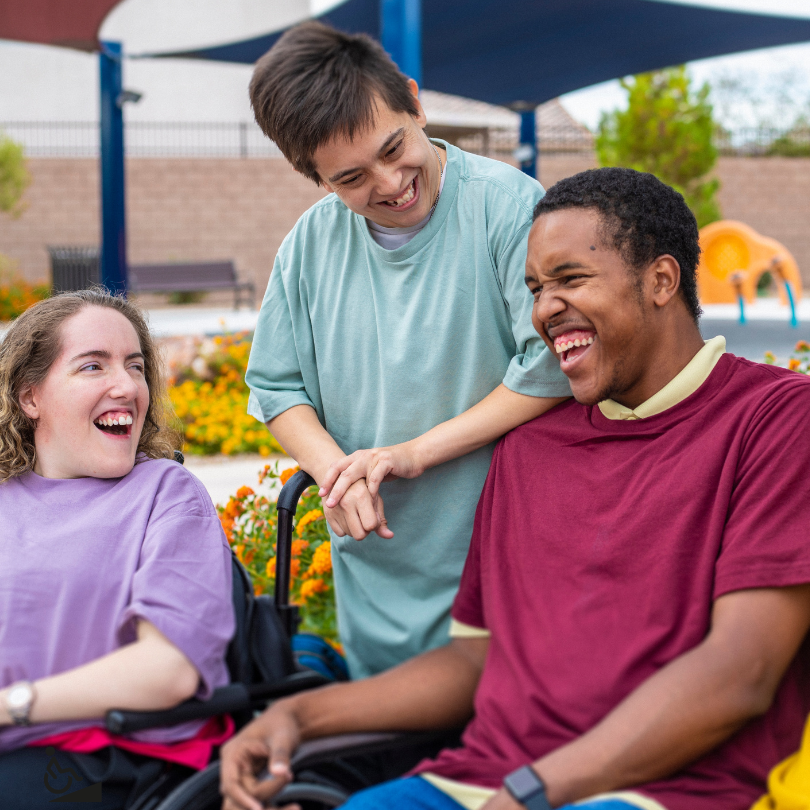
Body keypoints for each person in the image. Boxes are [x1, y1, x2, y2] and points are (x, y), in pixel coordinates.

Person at [221, 168, 810, 810]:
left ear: (661, 281)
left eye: (570, 279)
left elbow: (741, 674)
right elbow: (476, 665)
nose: (544, 310)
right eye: (534, 288)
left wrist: (535, 791)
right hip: (479, 781)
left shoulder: (779, 422)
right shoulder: (530, 448)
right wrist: (297, 718)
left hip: (662, 792)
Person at [245, 22, 570, 678]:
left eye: (395, 147)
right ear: (317, 178)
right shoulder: (310, 245)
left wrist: (412, 454)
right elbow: (277, 388)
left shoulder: (510, 208)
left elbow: (547, 366)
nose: (392, 183)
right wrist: (336, 474)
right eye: (352, 178)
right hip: (378, 562)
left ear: (416, 105)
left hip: (502, 554)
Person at [0, 290, 235, 809]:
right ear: (29, 396)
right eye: (93, 366)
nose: (127, 386)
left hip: (106, 757)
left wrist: (9, 707)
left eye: (135, 366)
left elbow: (169, 668)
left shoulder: (166, 495)